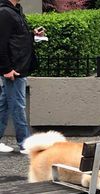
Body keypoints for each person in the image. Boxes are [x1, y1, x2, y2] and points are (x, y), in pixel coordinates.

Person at [0, 0, 44, 153]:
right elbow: (1, 43)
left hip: (18, 67)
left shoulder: (15, 10)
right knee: (18, 105)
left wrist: (32, 35)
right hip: (14, 70)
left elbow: (16, 38)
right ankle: (25, 143)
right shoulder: (5, 12)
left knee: (4, 105)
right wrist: (6, 69)